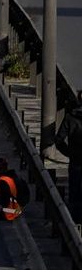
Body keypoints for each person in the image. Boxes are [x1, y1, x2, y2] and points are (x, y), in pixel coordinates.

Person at [55, 91, 82, 221]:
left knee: (74, 192)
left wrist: (70, 153)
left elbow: (58, 140)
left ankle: (74, 221)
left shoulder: (70, 117)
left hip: (76, 160)